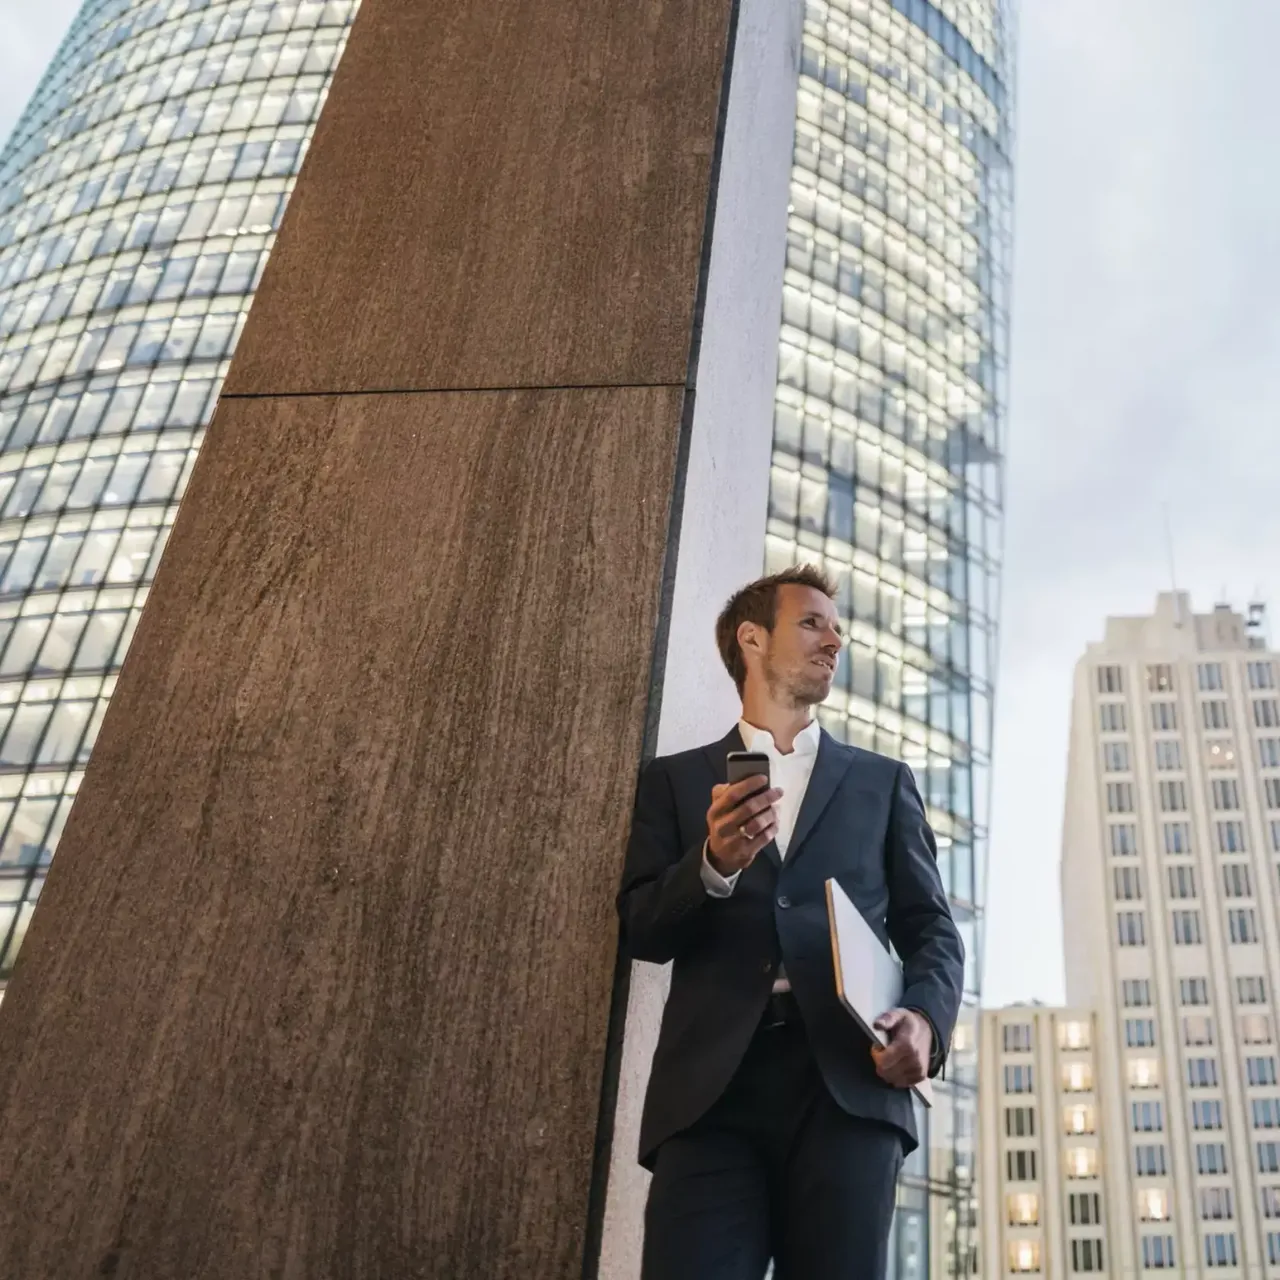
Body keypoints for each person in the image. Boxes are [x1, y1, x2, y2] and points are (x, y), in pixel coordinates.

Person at [617, 565, 965, 1280]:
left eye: (838, 628)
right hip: (711, 1098)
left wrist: (927, 1026)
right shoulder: (673, 782)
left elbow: (932, 929)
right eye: (812, 623)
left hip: (847, 1087)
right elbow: (642, 930)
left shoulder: (882, 782)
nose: (834, 640)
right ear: (752, 638)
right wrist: (712, 862)